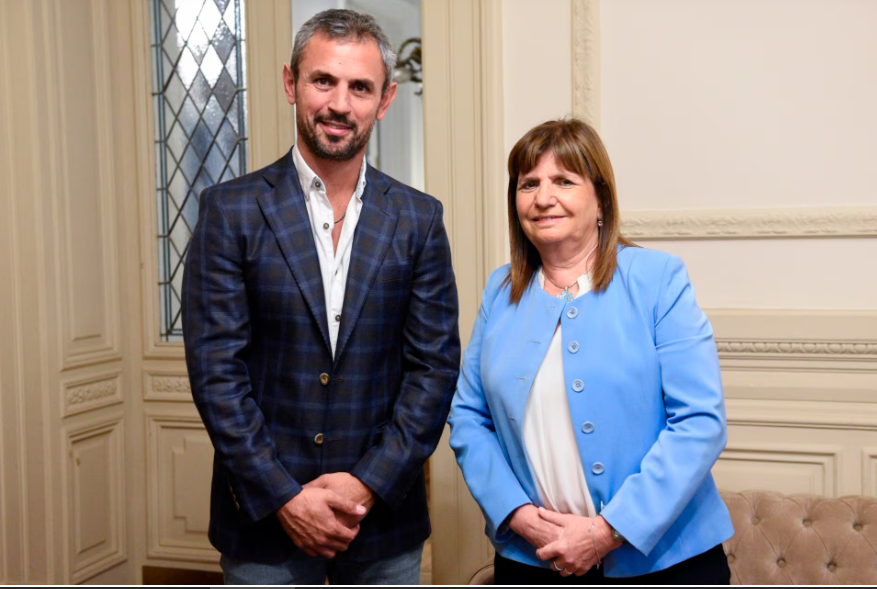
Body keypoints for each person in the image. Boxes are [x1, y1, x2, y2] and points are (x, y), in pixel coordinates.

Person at [182, 9, 460, 585]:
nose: (340, 104)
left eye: (360, 87)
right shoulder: (229, 211)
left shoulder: (419, 219)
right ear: (291, 83)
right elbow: (216, 374)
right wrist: (285, 497)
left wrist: (366, 485)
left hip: (381, 524)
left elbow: (433, 370)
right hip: (264, 525)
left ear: (385, 100)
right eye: (323, 81)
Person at [448, 118, 734, 584]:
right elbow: (467, 417)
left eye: (564, 181)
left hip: (665, 563)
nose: (543, 198)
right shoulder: (500, 292)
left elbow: (700, 422)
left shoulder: (657, 280)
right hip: (534, 559)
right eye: (528, 184)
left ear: (600, 198)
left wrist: (606, 531)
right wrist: (517, 514)